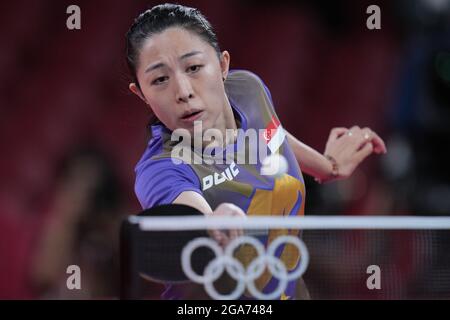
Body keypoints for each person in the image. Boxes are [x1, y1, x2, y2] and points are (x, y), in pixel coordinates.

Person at [126, 3, 387, 300]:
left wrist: (326, 166)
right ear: (141, 94)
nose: (183, 91)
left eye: (194, 68)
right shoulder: (160, 169)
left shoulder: (248, 90)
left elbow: (271, 134)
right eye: (160, 79)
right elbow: (190, 214)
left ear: (223, 65)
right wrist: (214, 222)